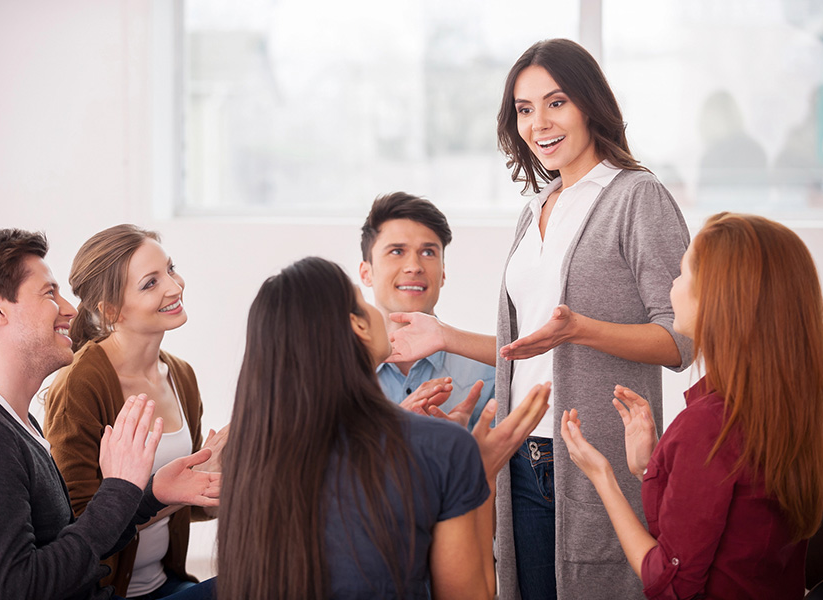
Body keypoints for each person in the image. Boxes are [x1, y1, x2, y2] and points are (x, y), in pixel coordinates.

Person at [386, 39, 692, 599]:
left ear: (590, 105)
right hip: (521, 458)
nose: (538, 123)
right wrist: (445, 335)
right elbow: (532, 347)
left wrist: (584, 329)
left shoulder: (637, 196)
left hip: (596, 453)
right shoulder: (537, 208)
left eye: (555, 103)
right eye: (524, 109)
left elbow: (682, 339)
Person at [215, 256, 551, 599]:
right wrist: (484, 474)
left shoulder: (248, 453)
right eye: (363, 300)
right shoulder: (443, 447)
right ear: (357, 325)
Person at [0, 228, 218, 600]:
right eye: (49, 293)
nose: (71, 309)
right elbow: (20, 589)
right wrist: (119, 489)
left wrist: (152, 495)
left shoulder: (12, 422)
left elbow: (67, 546)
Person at [561, 213, 823, 599]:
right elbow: (729, 528)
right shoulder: (794, 407)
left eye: (682, 273)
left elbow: (670, 583)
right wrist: (649, 468)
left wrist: (601, 475)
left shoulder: (708, 425)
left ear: (717, 299)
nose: (672, 283)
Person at [44, 225, 225, 599]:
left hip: (168, 582)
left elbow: (184, 509)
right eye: (150, 283)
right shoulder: (80, 384)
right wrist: (172, 492)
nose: (175, 287)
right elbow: (79, 526)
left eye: (171, 270)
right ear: (110, 310)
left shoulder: (181, 376)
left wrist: (217, 482)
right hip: (108, 591)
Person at [360, 192, 495, 427]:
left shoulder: (486, 372)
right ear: (366, 273)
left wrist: (464, 447)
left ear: (443, 273)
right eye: (396, 251)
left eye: (428, 252)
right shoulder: (332, 370)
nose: (414, 266)